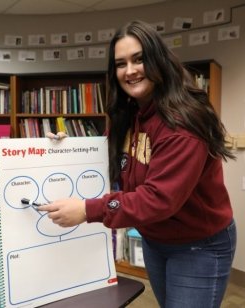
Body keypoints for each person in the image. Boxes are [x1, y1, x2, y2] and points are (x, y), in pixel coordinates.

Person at [39, 20, 237, 308]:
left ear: (158, 59)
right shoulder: (130, 113)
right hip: (155, 237)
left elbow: (158, 199)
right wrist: (66, 149)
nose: (130, 70)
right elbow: (106, 159)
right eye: (121, 63)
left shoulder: (183, 122)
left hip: (198, 245)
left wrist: (86, 210)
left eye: (139, 59)